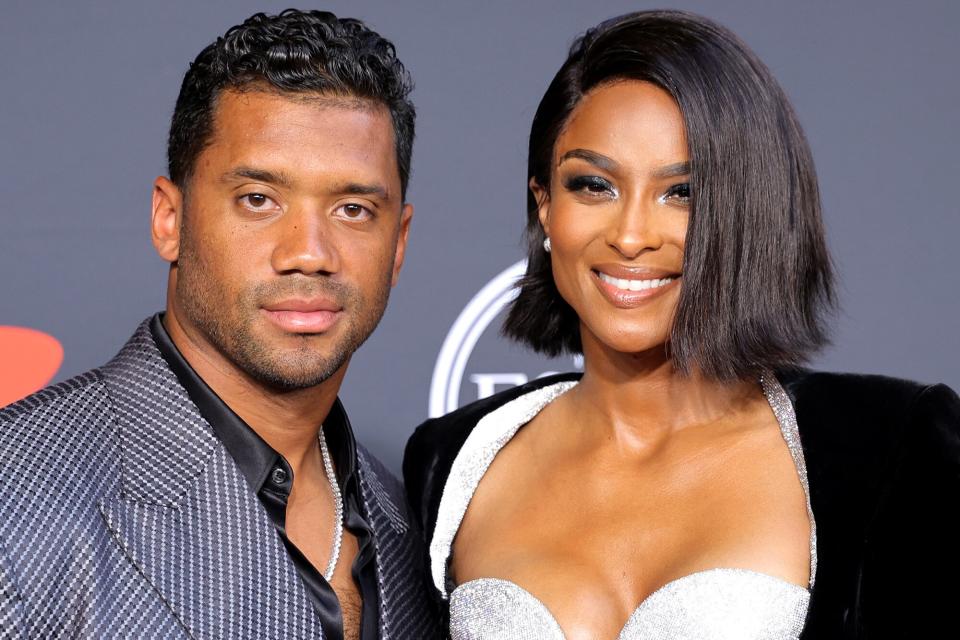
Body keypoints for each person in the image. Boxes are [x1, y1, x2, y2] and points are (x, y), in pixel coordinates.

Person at [404, 9, 960, 639]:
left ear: (749, 213)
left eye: (683, 192)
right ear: (545, 207)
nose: (632, 235)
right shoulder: (453, 460)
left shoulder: (888, 446)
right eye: (592, 185)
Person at [0, 10, 440, 640]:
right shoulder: (15, 497)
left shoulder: (412, 527)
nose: (309, 252)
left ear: (398, 244)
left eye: (352, 208)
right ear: (169, 220)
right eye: (259, 199)